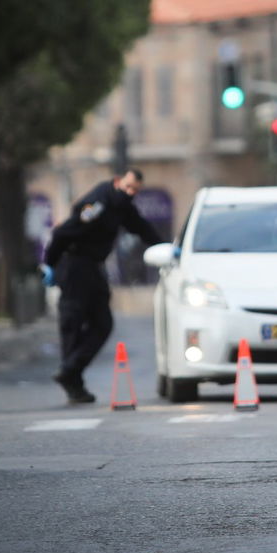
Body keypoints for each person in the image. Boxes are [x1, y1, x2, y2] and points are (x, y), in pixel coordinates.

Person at [41, 169, 162, 404]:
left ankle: (70, 371)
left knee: (102, 324)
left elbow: (141, 227)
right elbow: (64, 232)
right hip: (74, 266)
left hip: (93, 267)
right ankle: (73, 382)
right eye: (128, 187)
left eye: (135, 190)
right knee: (72, 324)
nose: (131, 193)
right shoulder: (99, 203)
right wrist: (49, 263)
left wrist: (166, 246)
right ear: (117, 182)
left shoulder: (122, 206)